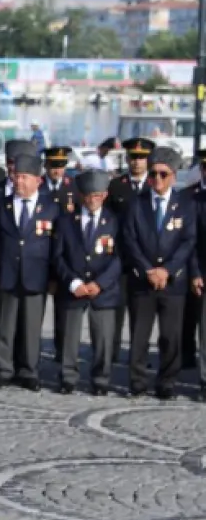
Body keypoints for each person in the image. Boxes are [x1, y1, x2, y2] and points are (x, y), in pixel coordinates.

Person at [121, 147, 196, 400]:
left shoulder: (185, 204)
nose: (158, 180)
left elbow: (188, 241)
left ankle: (167, 383)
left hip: (173, 282)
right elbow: (129, 240)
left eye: (163, 175)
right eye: (153, 174)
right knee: (140, 335)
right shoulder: (136, 204)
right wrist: (148, 270)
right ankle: (138, 382)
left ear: (174, 176)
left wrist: (167, 270)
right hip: (143, 281)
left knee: (170, 336)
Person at [0, 153, 58, 391]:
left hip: (36, 276)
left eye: (24, 177)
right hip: (7, 274)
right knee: (4, 326)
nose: (19, 182)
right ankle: (3, 369)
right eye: (16, 177)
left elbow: (56, 247)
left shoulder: (51, 208)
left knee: (31, 329)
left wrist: (53, 277)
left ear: (38, 180)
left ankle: (29, 370)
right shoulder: (1, 206)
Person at [54, 170, 120, 396]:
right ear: (81, 196)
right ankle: (68, 377)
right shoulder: (65, 221)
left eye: (98, 195)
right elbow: (58, 256)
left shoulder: (113, 222)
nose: (93, 200)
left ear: (105, 195)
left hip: (103, 289)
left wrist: (100, 283)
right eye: (89, 195)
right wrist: (73, 282)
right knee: (69, 336)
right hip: (74, 288)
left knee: (103, 338)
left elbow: (119, 258)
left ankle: (101, 380)